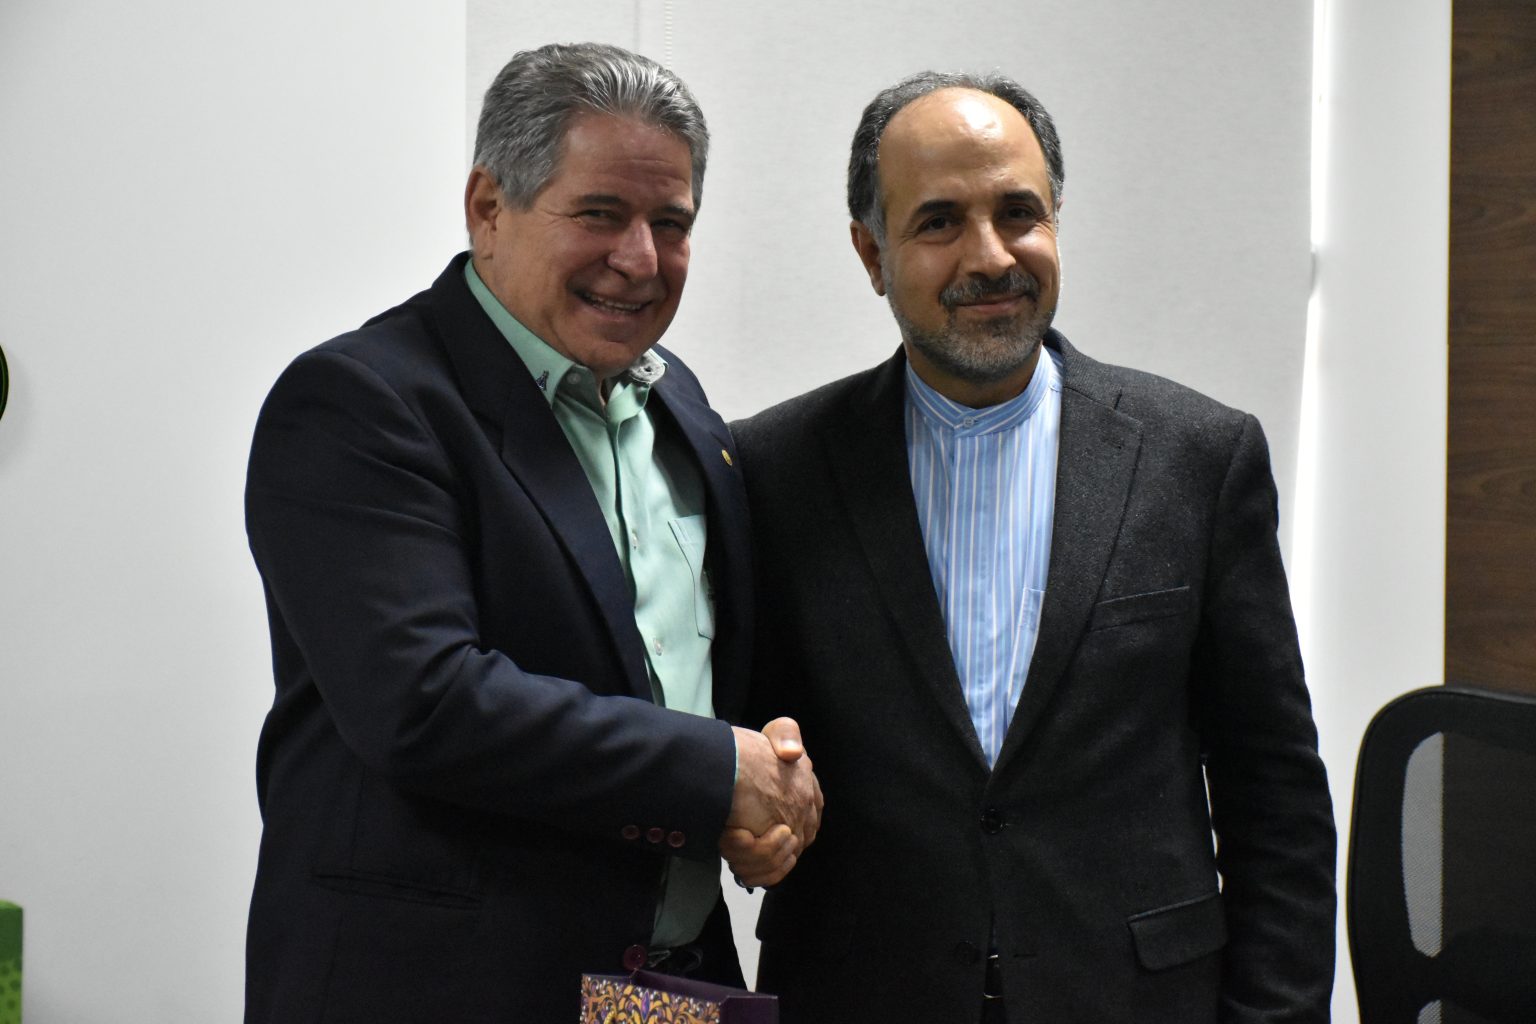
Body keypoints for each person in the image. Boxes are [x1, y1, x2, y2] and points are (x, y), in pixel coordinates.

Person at [728, 71, 1336, 1023]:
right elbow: (748, 747)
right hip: (861, 993)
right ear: (872, 253)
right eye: (939, 222)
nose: (991, 256)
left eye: (1019, 213)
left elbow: (1277, 799)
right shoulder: (774, 470)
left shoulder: (1197, 458)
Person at [243, 42, 819, 1022]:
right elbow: (426, 702)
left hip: (669, 990)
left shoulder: (683, 409)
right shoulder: (360, 403)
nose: (640, 258)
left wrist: (776, 775)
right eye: (599, 213)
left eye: (671, 223)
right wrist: (720, 773)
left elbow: (691, 680)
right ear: (488, 207)